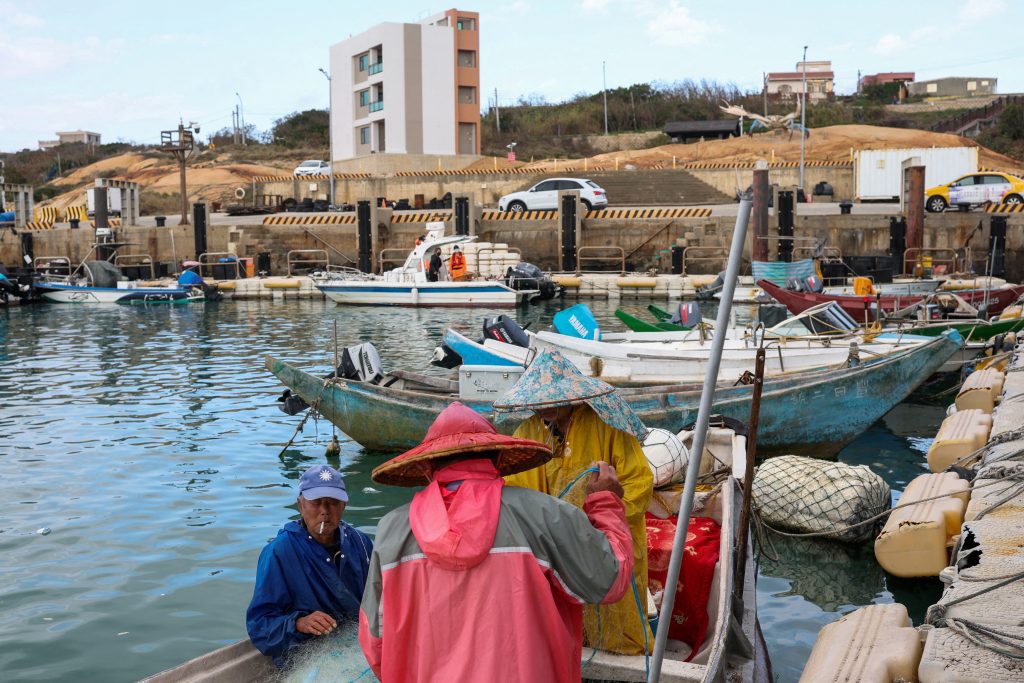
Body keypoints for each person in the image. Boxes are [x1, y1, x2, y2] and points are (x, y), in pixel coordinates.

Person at [358, 402, 634, 682]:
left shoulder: (390, 532)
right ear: (499, 460)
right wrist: (605, 502)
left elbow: (375, 643)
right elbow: (611, 579)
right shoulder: (544, 515)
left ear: (428, 467)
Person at [496, 349, 654, 656]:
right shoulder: (527, 431)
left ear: (571, 396)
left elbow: (639, 483)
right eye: (538, 401)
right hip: (554, 543)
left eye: (551, 400)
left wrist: (602, 514)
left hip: (608, 535)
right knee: (561, 614)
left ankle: (625, 652)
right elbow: (515, 488)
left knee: (615, 598)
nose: (543, 408)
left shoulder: (606, 425)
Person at [247, 465, 373, 668]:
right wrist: (298, 623)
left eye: (333, 503)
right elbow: (259, 626)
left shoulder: (361, 543)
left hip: (359, 645)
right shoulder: (279, 553)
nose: (325, 511)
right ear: (300, 505)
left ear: (344, 506)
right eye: (316, 503)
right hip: (309, 655)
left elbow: (382, 599)